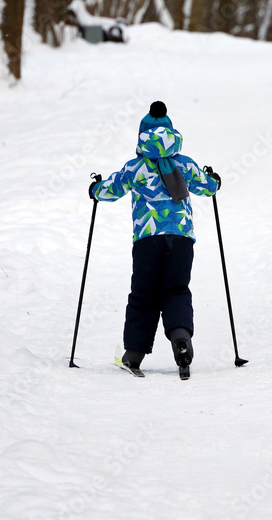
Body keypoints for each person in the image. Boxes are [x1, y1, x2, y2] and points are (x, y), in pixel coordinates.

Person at [89, 101, 220, 376]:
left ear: (142, 136)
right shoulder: (183, 164)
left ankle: (133, 355)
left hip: (147, 240)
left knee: (144, 294)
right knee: (176, 290)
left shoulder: (135, 167)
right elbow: (207, 187)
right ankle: (180, 339)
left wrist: (95, 188)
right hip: (181, 238)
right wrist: (214, 179)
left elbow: (110, 190)